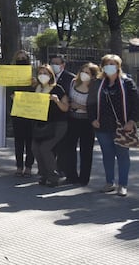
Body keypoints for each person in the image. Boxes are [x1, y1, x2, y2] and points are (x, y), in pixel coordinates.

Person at [88, 54, 139, 197]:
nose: (110, 66)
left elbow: (136, 103)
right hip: (102, 126)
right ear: (103, 66)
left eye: (113, 63)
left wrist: (132, 121)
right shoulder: (97, 83)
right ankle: (109, 182)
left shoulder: (127, 82)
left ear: (118, 66)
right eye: (107, 63)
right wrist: (92, 119)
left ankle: (123, 185)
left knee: (123, 155)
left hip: (122, 127)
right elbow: (90, 103)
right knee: (107, 155)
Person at [30, 64, 69, 187]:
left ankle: (53, 176)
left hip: (57, 124)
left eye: (46, 73)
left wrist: (57, 101)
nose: (43, 76)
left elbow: (65, 108)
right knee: (35, 148)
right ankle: (44, 174)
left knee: (45, 148)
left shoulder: (57, 89)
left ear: (51, 75)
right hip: (41, 124)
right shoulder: (36, 88)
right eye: (40, 73)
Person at [60, 62, 98, 186]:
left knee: (86, 151)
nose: (84, 74)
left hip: (87, 122)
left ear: (93, 76)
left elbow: (97, 107)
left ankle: (84, 178)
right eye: (83, 71)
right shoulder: (73, 83)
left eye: (87, 72)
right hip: (72, 120)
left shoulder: (95, 88)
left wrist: (81, 106)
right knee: (69, 149)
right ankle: (71, 176)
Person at [9, 50, 35, 177]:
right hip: (17, 110)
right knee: (18, 140)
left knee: (30, 140)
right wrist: (11, 95)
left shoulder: (34, 74)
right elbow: (7, 88)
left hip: (31, 110)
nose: (21, 60)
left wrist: (34, 83)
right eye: (19, 58)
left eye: (23, 58)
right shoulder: (11, 75)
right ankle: (19, 166)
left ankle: (29, 166)